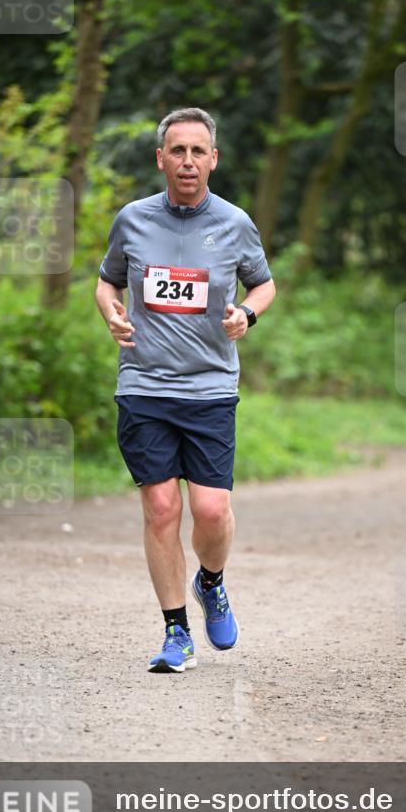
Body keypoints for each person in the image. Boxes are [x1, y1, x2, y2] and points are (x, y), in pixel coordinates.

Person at [95, 107, 276, 673]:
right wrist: (111, 313)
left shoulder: (236, 223)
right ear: (161, 158)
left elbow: (265, 285)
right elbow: (107, 281)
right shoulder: (133, 220)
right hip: (144, 384)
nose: (188, 161)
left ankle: (212, 583)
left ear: (214, 159)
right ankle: (176, 633)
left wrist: (246, 313)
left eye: (199, 151)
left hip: (210, 386)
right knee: (161, 507)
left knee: (212, 511)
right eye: (178, 151)